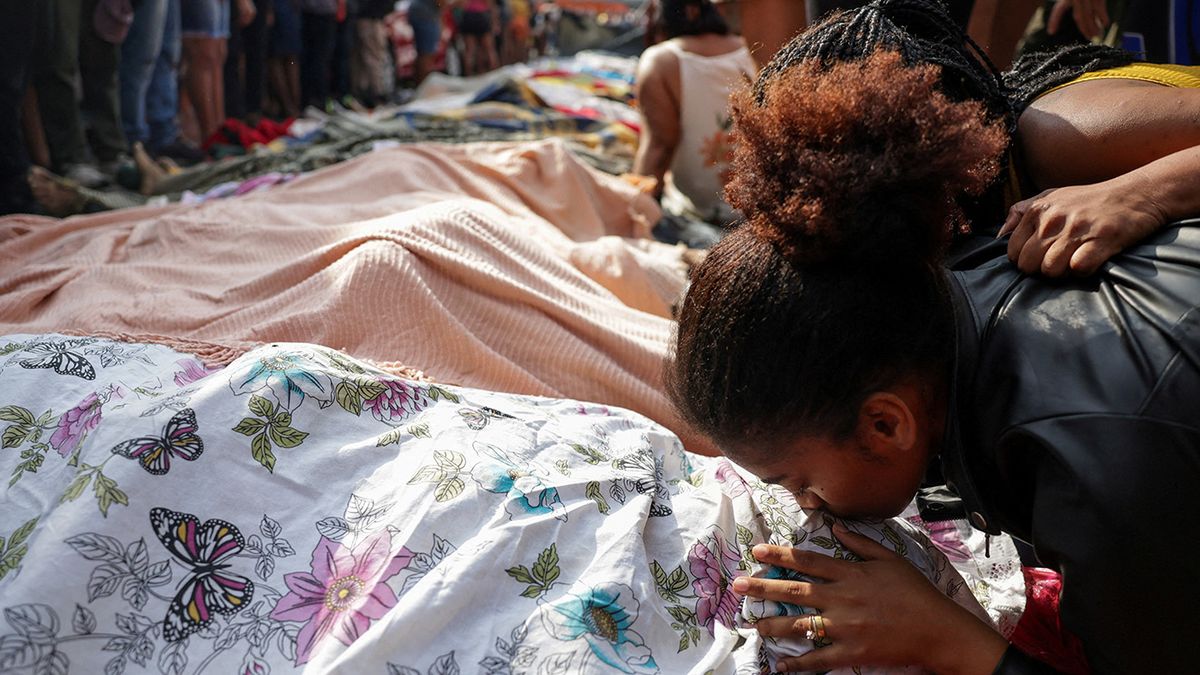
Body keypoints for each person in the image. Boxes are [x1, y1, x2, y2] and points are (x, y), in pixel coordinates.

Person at [666, 1, 1200, 672]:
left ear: (888, 423)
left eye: (798, 482)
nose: (803, 507)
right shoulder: (973, 280)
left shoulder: (1100, 464)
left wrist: (948, 638)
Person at [632, 0, 756, 225]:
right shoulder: (754, 48)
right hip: (756, 212)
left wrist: (633, 213)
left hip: (696, 214)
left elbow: (658, 149)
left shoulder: (661, 61)